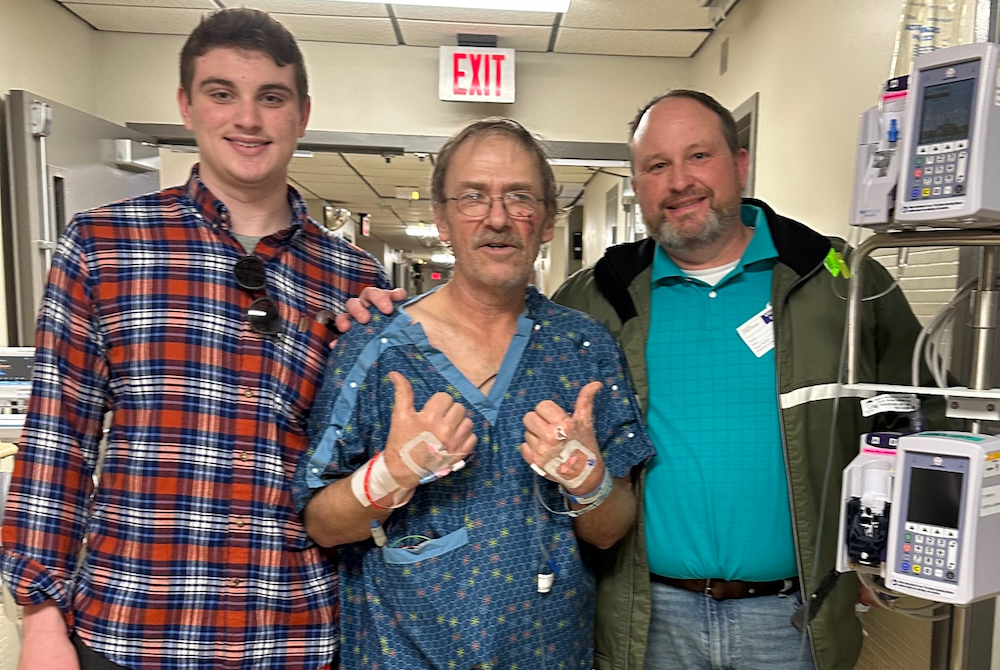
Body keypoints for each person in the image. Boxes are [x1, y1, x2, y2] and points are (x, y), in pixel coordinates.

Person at [0, 8, 391, 670]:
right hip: (132, 627)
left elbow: (359, 471)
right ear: (186, 105)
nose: (248, 118)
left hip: (293, 634)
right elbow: (57, 436)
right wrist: (40, 617)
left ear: (301, 112)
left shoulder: (353, 279)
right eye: (221, 93)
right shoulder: (103, 245)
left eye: (271, 97)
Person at [551, 89, 931, 670]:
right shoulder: (594, 298)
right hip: (647, 621)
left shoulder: (838, 280)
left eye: (698, 156)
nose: (679, 181)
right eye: (657, 166)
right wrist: (386, 316)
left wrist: (886, 552)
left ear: (740, 164)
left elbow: (921, 415)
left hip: (791, 622)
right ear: (637, 185)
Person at [293, 118, 655, 670]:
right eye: (473, 197)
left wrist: (589, 481)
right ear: (441, 218)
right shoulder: (377, 349)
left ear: (549, 223)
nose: (497, 218)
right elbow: (321, 522)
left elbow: (610, 533)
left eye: (520, 197)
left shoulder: (583, 347)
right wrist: (392, 474)